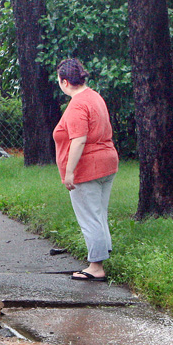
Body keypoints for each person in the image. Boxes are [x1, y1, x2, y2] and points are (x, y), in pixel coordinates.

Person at [52, 58, 119, 281]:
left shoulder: (78, 104)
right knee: (99, 212)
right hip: (107, 162)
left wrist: (69, 172)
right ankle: (103, 249)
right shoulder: (94, 96)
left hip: (88, 168)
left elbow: (79, 140)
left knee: (89, 217)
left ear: (64, 81)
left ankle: (96, 267)